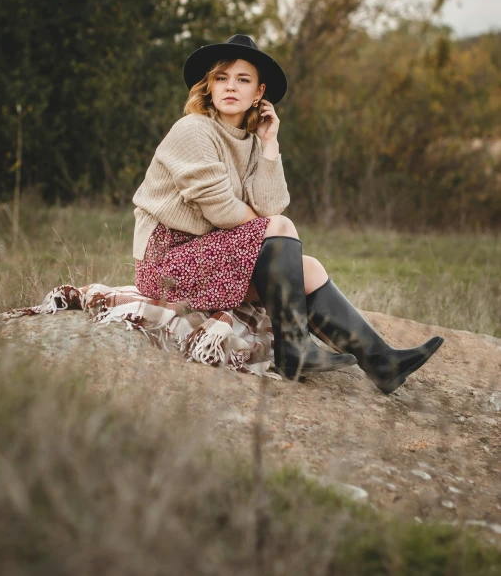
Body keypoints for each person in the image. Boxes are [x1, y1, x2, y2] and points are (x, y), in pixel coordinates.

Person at [132, 34, 444, 392]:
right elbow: (222, 210)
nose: (230, 87)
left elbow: (271, 206)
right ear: (209, 86)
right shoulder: (193, 130)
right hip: (167, 265)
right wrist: (273, 231)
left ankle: (383, 364)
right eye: (221, 78)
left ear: (259, 92)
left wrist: (269, 144)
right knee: (280, 230)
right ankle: (293, 349)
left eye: (242, 80)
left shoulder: (250, 142)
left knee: (308, 268)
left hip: (211, 258)